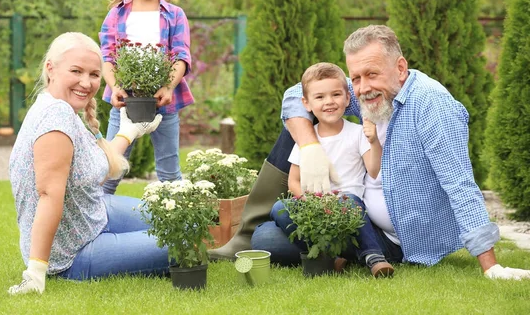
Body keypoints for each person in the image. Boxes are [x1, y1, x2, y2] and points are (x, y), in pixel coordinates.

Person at [211, 25, 530, 280]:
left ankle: (358, 255)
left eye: (371, 74)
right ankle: (249, 233)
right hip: (346, 211)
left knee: (266, 242)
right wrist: (309, 148)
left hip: (394, 241)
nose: (362, 87)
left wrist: (491, 266)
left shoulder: (432, 107)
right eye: (356, 77)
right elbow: (298, 94)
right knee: (304, 122)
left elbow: (460, 185)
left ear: (400, 67)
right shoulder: (369, 94)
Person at [8, 32, 168, 295]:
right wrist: (36, 271)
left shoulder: (57, 105)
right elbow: (48, 195)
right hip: (74, 253)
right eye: (76, 71)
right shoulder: (55, 118)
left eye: (94, 74)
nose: (86, 82)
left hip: (95, 214)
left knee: (180, 221)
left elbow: (94, 165)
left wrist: (129, 131)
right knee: (185, 242)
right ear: (51, 69)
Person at [270, 62, 393, 277]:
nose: (329, 102)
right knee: (279, 208)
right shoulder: (306, 139)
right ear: (306, 103)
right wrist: (311, 202)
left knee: (350, 200)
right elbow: (293, 182)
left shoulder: (356, 133)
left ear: (347, 98)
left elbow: (373, 171)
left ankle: (374, 257)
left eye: (336, 95)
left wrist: (374, 143)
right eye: (320, 97)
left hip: (348, 208)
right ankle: (332, 255)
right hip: (315, 207)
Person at [99, 0, 193, 194]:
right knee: (110, 169)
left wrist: (168, 86)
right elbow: (107, 57)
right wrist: (115, 86)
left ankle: (178, 229)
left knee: (169, 173)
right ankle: (93, 225)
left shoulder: (175, 15)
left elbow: (181, 57)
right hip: (124, 102)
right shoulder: (116, 15)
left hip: (164, 103)